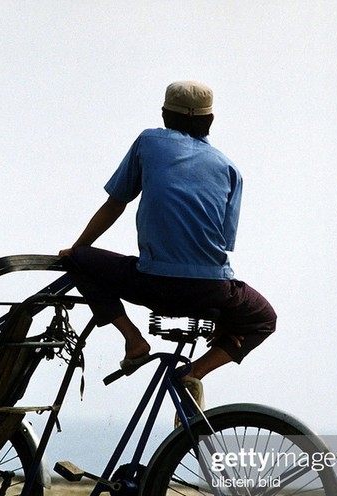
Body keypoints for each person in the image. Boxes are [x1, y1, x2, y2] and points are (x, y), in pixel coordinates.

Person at [60, 80, 276, 408]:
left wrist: (76, 252)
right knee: (263, 317)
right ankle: (194, 372)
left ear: (164, 115)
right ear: (210, 120)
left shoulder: (149, 142)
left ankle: (133, 340)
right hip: (211, 289)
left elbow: (115, 203)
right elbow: (223, 242)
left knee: (81, 260)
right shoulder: (230, 169)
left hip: (154, 283)